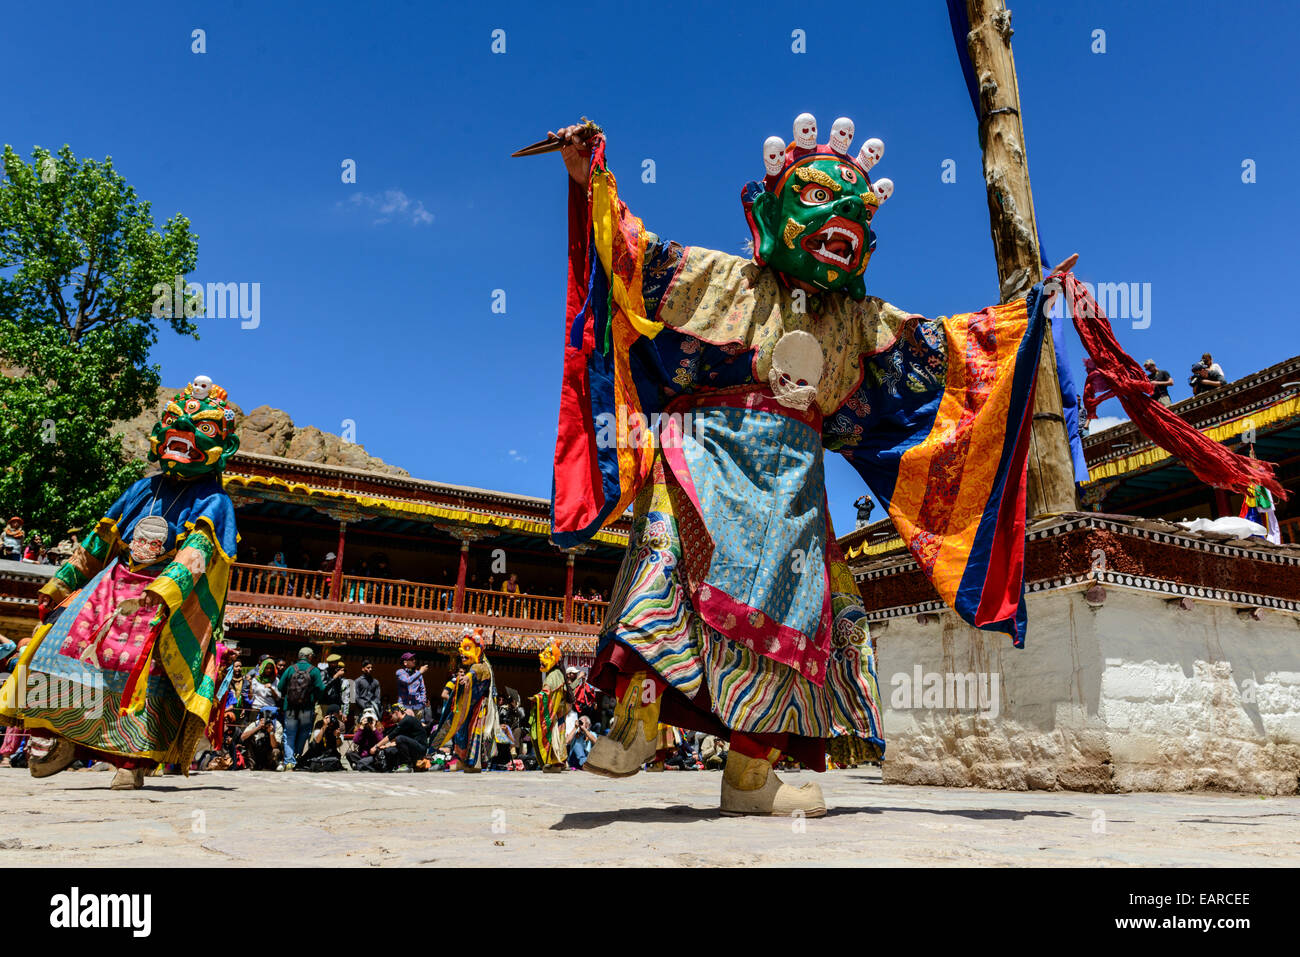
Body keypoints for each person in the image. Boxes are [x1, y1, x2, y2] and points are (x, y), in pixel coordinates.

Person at [540, 118, 1079, 816]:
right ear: (769, 212)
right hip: (708, 458)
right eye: (820, 197)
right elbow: (634, 260)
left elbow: (949, 354)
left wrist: (1025, 315)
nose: (840, 219)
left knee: (797, 619)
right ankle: (637, 718)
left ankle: (749, 776)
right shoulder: (726, 279)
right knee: (667, 567)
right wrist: (591, 180)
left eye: (854, 209)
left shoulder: (860, 321)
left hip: (793, 490)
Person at [0, 376, 241, 790]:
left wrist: (163, 593)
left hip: (164, 597)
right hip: (112, 586)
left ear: (224, 446)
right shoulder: (142, 488)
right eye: (174, 424)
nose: (181, 436)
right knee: (61, 649)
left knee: (144, 670)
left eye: (200, 429)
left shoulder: (215, 501)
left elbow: (196, 554)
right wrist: (61, 583)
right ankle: (63, 737)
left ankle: (131, 759)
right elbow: (100, 539)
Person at [430, 628, 498, 771]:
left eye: (467, 648)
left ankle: (474, 762)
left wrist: (467, 677)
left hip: (480, 708)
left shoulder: (482, 666)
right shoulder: (477, 666)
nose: (462, 652)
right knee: (462, 730)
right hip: (469, 706)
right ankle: (462, 760)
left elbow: (476, 671)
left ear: (478, 650)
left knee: (474, 733)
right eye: (462, 648)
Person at [277, 646, 326, 770]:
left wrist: (289, 696)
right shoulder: (314, 671)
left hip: (291, 708)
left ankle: (289, 761)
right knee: (304, 733)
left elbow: (280, 686)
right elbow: (321, 689)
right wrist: (313, 698)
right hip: (306, 708)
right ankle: (297, 756)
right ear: (309, 656)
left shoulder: (290, 669)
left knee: (289, 734)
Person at [530, 641, 572, 773]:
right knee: (559, 737)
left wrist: (537, 698)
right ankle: (560, 762)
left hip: (555, 713)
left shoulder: (553, 676)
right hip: (560, 713)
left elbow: (546, 692)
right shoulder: (559, 675)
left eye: (547, 656)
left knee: (553, 736)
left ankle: (555, 763)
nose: (542, 659)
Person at [373, 706, 428, 771]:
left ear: (396, 713)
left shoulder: (406, 720)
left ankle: (407, 765)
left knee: (399, 738)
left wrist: (376, 746)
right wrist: (385, 746)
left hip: (420, 749)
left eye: (391, 716)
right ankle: (403, 765)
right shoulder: (406, 721)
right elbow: (398, 742)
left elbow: (390, 736)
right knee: (392, 749)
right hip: (416, 748)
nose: (391, 719)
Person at [394, 652, 430, 722]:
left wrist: (422, 702)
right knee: (406, 728)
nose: (414, 661)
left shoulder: (418, 673)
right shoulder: (400, 672)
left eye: (414, 659)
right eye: (411, 659)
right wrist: (420, 672)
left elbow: (422, 689)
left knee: (417, 728)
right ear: (405, 663)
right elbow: (408, 681)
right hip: (404, 706)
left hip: (417, 706)